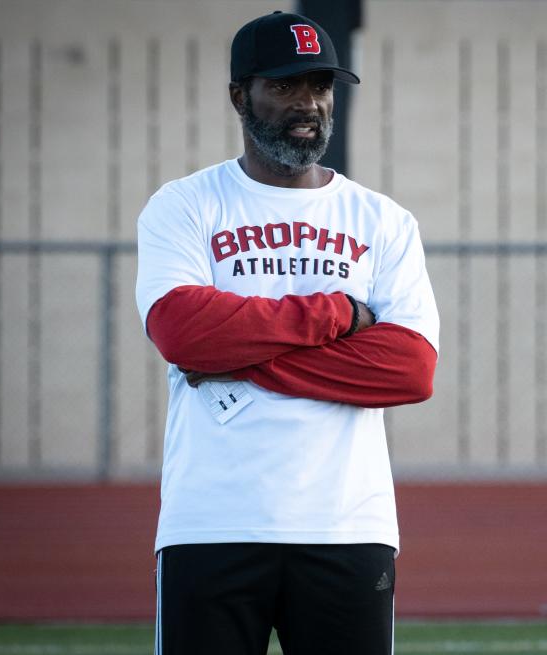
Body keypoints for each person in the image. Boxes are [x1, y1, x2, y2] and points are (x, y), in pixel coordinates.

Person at [134, 10, 439, 655]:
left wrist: (240, 356)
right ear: (240, 96)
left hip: (346, 526)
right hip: (210, 520)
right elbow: (182, 332)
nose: (309, 104)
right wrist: (335, 316)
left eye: (321, 86)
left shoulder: (382, 221)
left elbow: (408, 369)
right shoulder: (185, 205)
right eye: (286, 86)